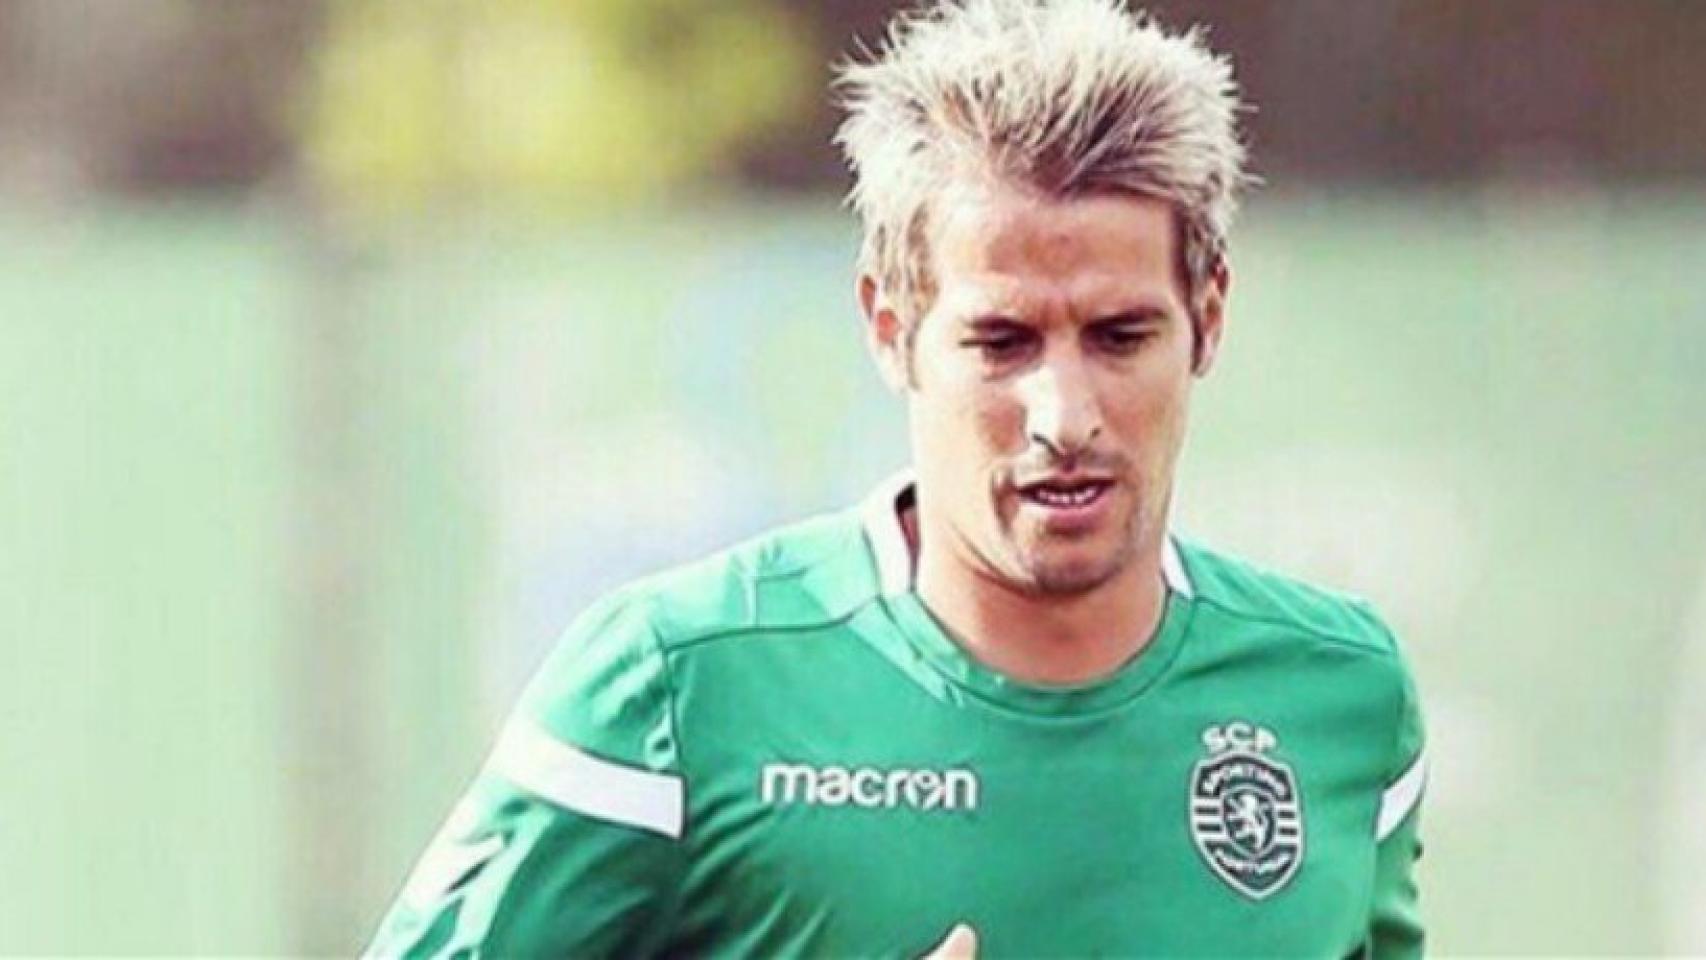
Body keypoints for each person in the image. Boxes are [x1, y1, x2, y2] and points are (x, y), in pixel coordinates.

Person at [365, 1, 1426, 955]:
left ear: (1207, 316)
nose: (1064, 416)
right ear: (889, 326)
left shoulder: (1341, 698)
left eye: (1119, 336)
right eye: (1001, 342)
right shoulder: (674, 688)